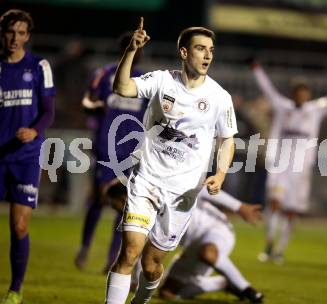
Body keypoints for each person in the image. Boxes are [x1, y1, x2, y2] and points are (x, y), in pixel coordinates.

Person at [104, 18, 237, 304]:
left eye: (211, 50)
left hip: (182, 194)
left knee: (151, 266)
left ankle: (141, 300)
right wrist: (131, 50)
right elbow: (123, 88)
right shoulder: (162, 80)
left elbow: (227, 139)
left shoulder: (219, 97)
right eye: (200, 48)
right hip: (147, 181)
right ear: (185, 53)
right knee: (129, 252)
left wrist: (221, 173)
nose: (207, 55)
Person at [251, 61, 327, 263]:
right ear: (293, 94)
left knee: (291, 211)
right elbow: (268, 89)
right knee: (274, 204)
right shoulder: (283, 107)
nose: (302, 96)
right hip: (280, 165)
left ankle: (280, 250)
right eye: (299, 93)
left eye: (305, 93)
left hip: (300, 170)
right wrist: (256, 69)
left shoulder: (316, 109)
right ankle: (269, 244)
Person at [0, 9, 55, 304]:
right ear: (2, 33)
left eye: (21, 33)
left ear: (28, 35)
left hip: (25, 157)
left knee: (19, 225)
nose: (15, 38)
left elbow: (48, 110)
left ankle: (15, 290)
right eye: (10, 32)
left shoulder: (39, 65)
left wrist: (35, 131)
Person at [106, 181, 263, 303]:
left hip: (216, 230)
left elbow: (202, 190)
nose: (115, 209)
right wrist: (136, 281)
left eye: (115, 204)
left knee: (207, 253)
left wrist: (239, 206)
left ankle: (248, 290)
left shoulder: (162, 189)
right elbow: (141, 247)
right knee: (167, 293)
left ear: (124, 198)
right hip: (192, 246)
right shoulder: (141, 213)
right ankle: (221, 283)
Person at [74, 33, 148, 273]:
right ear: (123, 50)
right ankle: (85, 247)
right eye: (133, 47)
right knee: (99, 199)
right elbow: (87, 101)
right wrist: (96, 106)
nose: (138, 52)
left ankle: (112, 258)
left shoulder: (145, 81)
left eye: (140, 49)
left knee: (124, 206)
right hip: (107, 147)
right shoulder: (104, 74)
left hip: (132, 153)